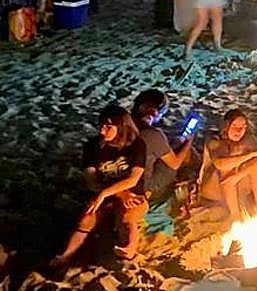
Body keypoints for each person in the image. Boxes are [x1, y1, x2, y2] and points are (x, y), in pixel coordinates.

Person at [51, 106, 148, 266]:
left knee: (127, 217)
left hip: (133, 194)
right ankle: (66, 255)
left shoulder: (137, 145)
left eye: (108, 127)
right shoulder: (92, 147)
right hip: (105, 194)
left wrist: (114, 193)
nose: (102, 131)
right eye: (101, 125)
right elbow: (91, 181)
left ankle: (129, 250)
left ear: (122, 127)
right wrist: (114, 194)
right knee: (86, 220)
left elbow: (133, 179)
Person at [198, 109, 257, 220]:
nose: (239, 130)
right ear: (226, 126)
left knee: (256, 168)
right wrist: (250, 155)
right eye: (235, 126)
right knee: (228, 168)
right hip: (215, 190)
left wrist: (239, 175)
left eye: (243, 127)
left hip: (236, 184)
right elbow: (220, 164)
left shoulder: (248, 139)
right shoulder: (215, 140)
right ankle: (235, 216)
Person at [132, 89, 194, 203]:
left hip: (122, 175)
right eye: (162, 114)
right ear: (154, 112)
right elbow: (175, 164)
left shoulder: (125, 125)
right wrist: (189, 142)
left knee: (172, 144)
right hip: (143, 187)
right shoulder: (153, 134)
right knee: (180, 154)